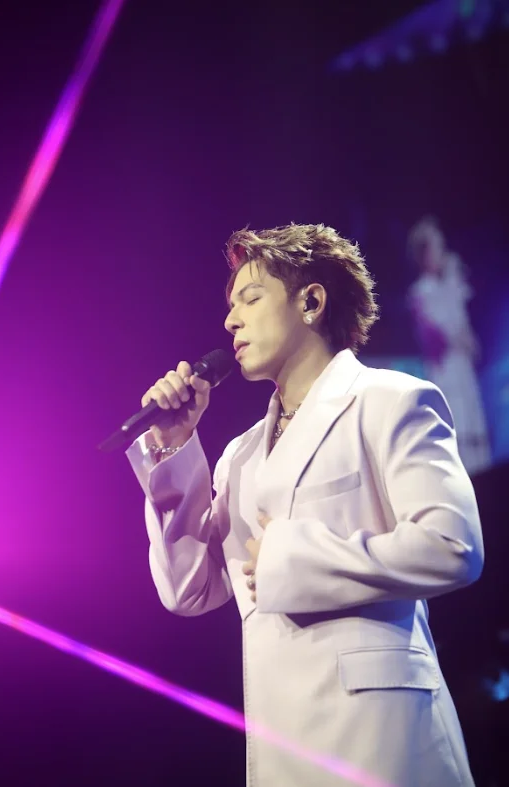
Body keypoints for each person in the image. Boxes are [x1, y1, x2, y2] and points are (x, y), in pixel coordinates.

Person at [127, 223, 484, 787]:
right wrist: (174, 447)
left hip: (382, 739)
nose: (231, 321)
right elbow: (189, 590)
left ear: (311, 302)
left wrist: (293, 557)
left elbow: (453, 545)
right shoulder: (239, 455)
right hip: (282, 749)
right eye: (230, 306)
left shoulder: (391, 400)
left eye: (250, 298)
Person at [407, 216, 491, 475]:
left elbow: (462, 324)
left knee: (475, 429)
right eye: (437, 247)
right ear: (424, 254)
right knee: (458, 427)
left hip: (462, 367)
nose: (442, 254)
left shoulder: (450, 285)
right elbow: (432, 337)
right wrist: (456, 338)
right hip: (446, 370)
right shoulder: (422, 291)